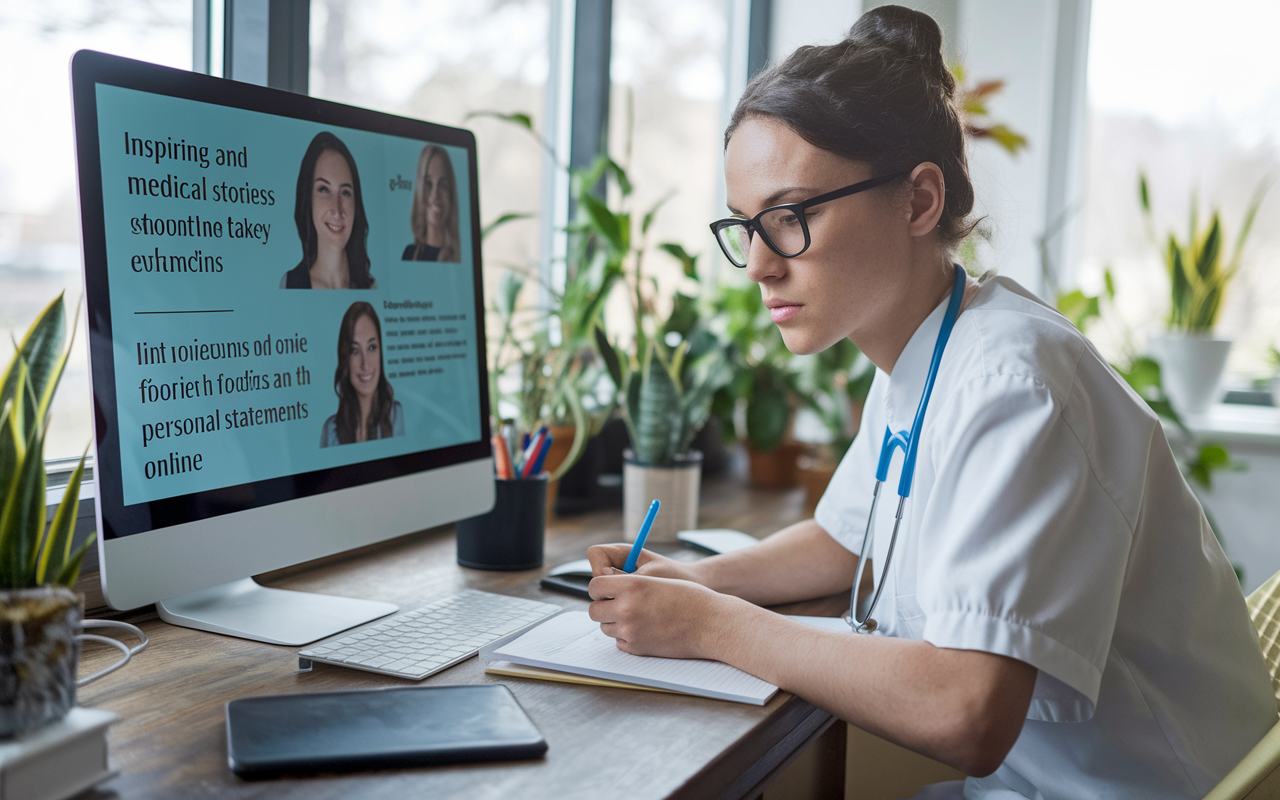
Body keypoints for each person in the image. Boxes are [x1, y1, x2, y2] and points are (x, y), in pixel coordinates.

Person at [585, 7, 1276, 798]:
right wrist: (698, 583)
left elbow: (966, 712)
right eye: (744, 227)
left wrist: (710, 626)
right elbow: (844, 541)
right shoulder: (926, 350)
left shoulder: (1015, 384)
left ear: (917, 202)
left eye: (789, 218)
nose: (756, 266)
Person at [281, 132, 377, 289]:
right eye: (324, 189)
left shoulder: (372, 286)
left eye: (345, 192)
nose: (337, 210)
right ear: (308, 198)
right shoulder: (288, 284)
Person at [320, 301, 404, 447]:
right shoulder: (330, 430)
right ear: (345, 357)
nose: (365, 364)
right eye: (354, 351)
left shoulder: (397, 416)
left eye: (371, 348)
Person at [401, 144, 461, 262]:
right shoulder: (409, 254)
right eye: (428, 184)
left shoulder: (458, 258)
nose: (435, 196)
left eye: (442, 184)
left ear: (451, 193)